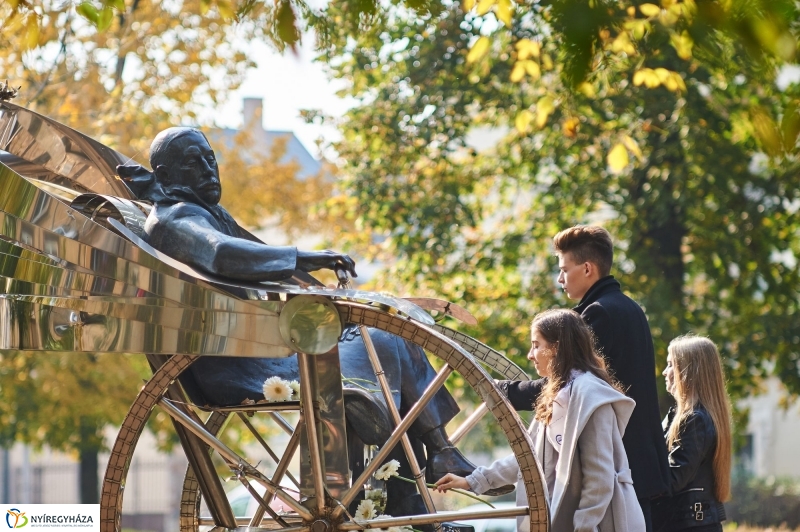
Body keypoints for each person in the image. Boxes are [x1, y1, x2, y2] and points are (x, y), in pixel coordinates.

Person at [115, 127, 476, 505]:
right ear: (167, 177)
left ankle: (422, 475)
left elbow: (244, 260)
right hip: (236, 362)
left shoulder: (200, 212)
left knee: (386, 340)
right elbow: (222, 253)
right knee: (383, 340)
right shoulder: (175, 219)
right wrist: (306, 256)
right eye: (195, 163)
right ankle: (426, 460)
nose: (209, 170)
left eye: (211, 159)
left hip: (256, 346)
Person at [498, 225, 670, 531]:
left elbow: (567, 380)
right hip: (639, 462)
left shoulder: (598, 313)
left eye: (564, 269)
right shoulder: (631, 308)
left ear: (587, 268)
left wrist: (507, 392)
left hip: (614, 464)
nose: (560, 279)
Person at [435, 309, 645, 532]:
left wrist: (583, 527)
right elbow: (529, 459)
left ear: (556, 347)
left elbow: (599, 478)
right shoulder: (558, 393)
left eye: (536, 345)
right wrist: (473, 481)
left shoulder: (591, 395)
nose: (530, 354)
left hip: (603, 523)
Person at [651, 336, 731, 532]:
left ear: (687, 371)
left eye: (670, 364)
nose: (664, 372)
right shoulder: (687, 417)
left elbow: (672, 479)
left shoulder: (695, 420)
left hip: (689, 525)